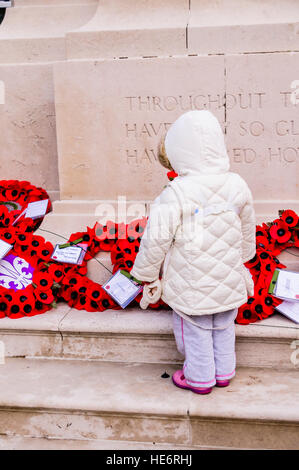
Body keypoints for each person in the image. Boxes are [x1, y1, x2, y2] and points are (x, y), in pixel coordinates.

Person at [130, 110, 256, 395]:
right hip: (227, 276)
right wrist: (244, 257)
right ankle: (224, 372)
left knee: (194, 329)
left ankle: (199, 378)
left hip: (192, 281)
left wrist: (146, 274)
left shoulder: (177, 192)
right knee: (224, 324)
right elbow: (248, 228)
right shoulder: (237, 183)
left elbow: (156, 238)